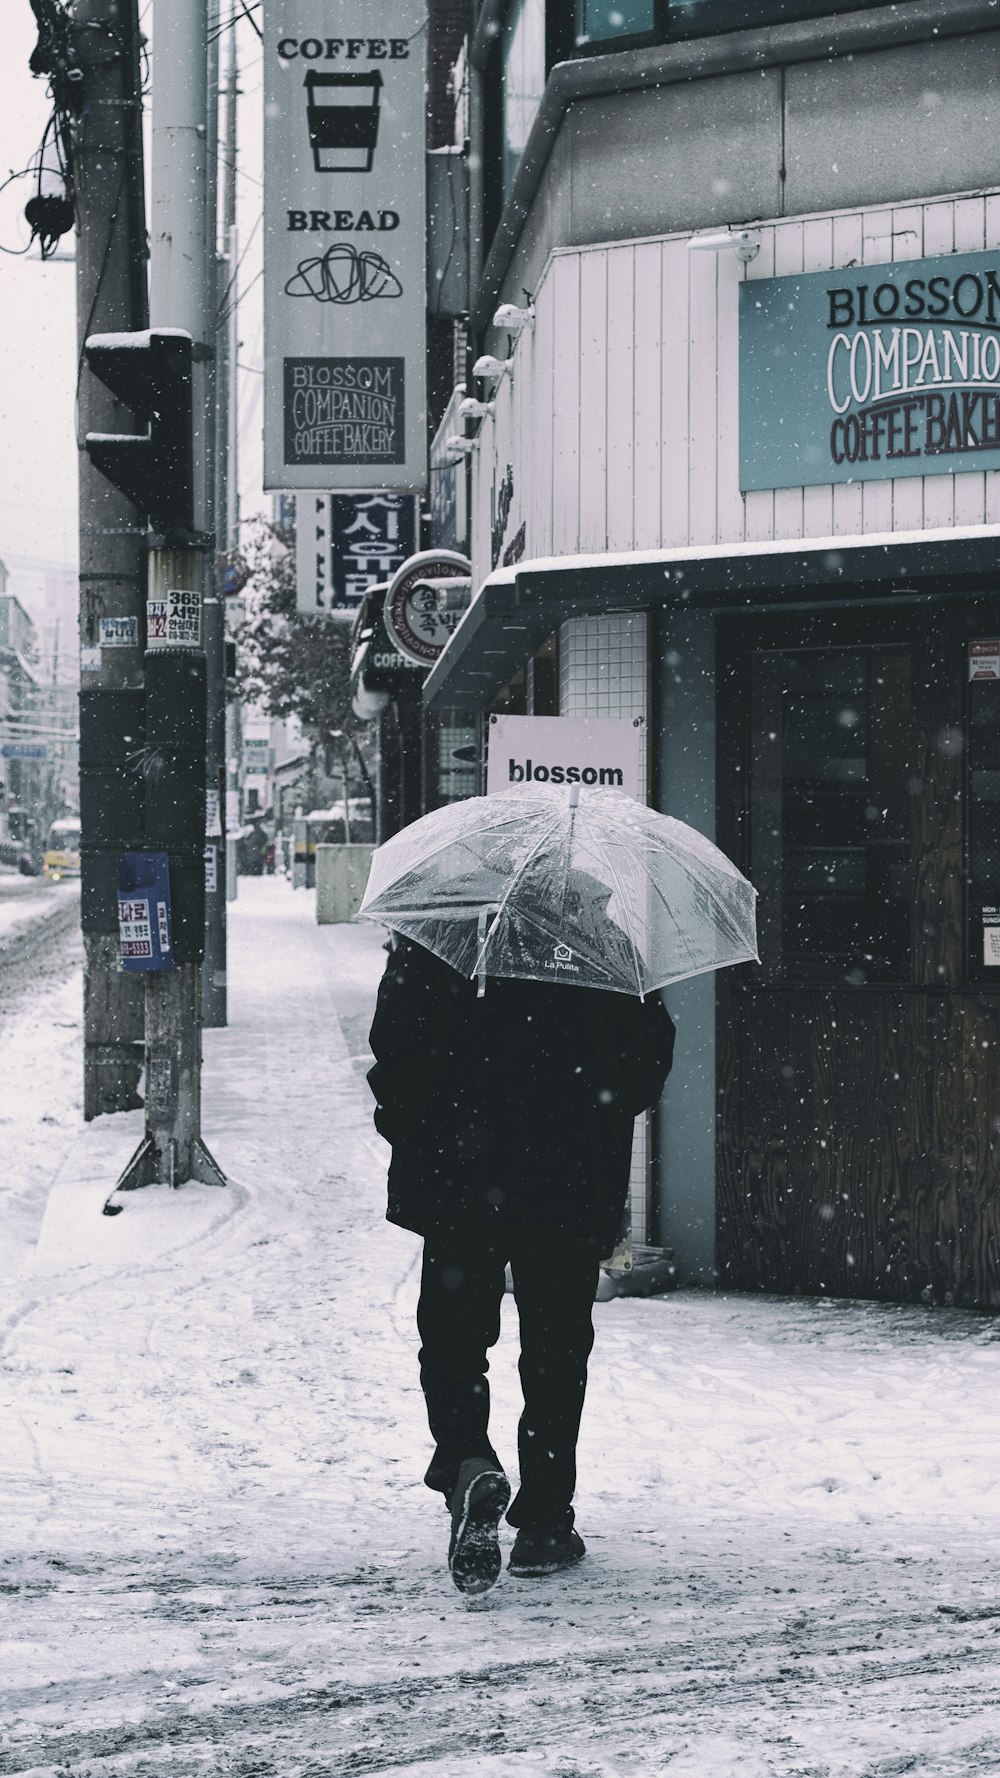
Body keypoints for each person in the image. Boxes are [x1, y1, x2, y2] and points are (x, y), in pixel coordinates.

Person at [367, 878, 675, 1597]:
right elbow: (642, 1066)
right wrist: (591, 1108)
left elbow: (394, 1044)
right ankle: (543, 1521)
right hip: (565, 1185)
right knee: (557, 1352)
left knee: (451, 1339)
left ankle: (468, 1464)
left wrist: (411, 1127)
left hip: (458, 1182)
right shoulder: (602, 950)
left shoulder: (444, 939)